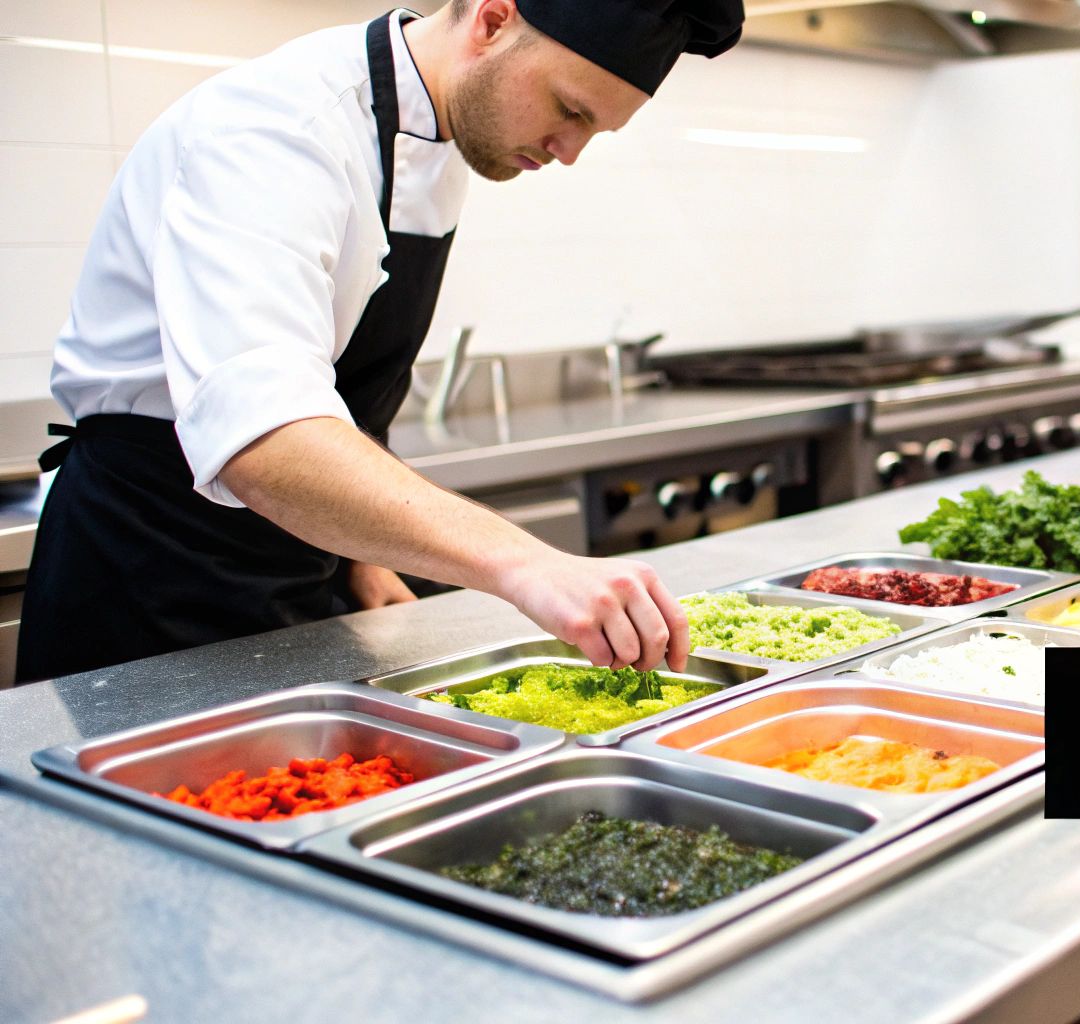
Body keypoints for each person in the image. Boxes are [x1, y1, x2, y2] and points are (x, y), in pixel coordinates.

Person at [17, 0, 743, 682]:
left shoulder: (444, 137)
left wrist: (358, 554)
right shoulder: (276, 129)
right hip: (148, 572)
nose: (569, 150)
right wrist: (530, 565)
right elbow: (261, 439)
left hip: (291, 561)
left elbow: (333, 387)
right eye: (569, 109)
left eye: (594, 131)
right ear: (492, 20)